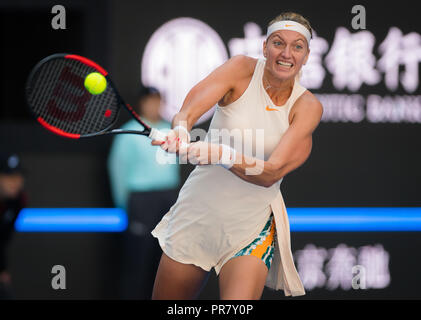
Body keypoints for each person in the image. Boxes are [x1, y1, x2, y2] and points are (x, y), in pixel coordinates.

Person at [150, 12, 324, 300]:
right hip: (197, 215)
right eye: (279, 43)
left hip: (251, 228)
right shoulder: (240, 68)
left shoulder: (307, 106)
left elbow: (270, 173)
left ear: (306, 56)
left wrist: (220, 153)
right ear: (265, 47)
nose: (286, 53)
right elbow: (187, 113)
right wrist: (181, 131)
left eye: (297, 46)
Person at [107, 86, 180, 299]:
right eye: (150, 101)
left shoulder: (170, 131)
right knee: (136, 262)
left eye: (158, 101)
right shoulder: (128, 134)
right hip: (140, 202)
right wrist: (126, 205)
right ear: (141, 104)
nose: (154, 105)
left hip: (169, 200)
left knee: (168, 265)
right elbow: (117, 170)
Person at [0, 152, 27, 300]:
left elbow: (3, 238)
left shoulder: (19, 201)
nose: (16, 181)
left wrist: (2, 269)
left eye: (19, 176)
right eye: (9, 176)